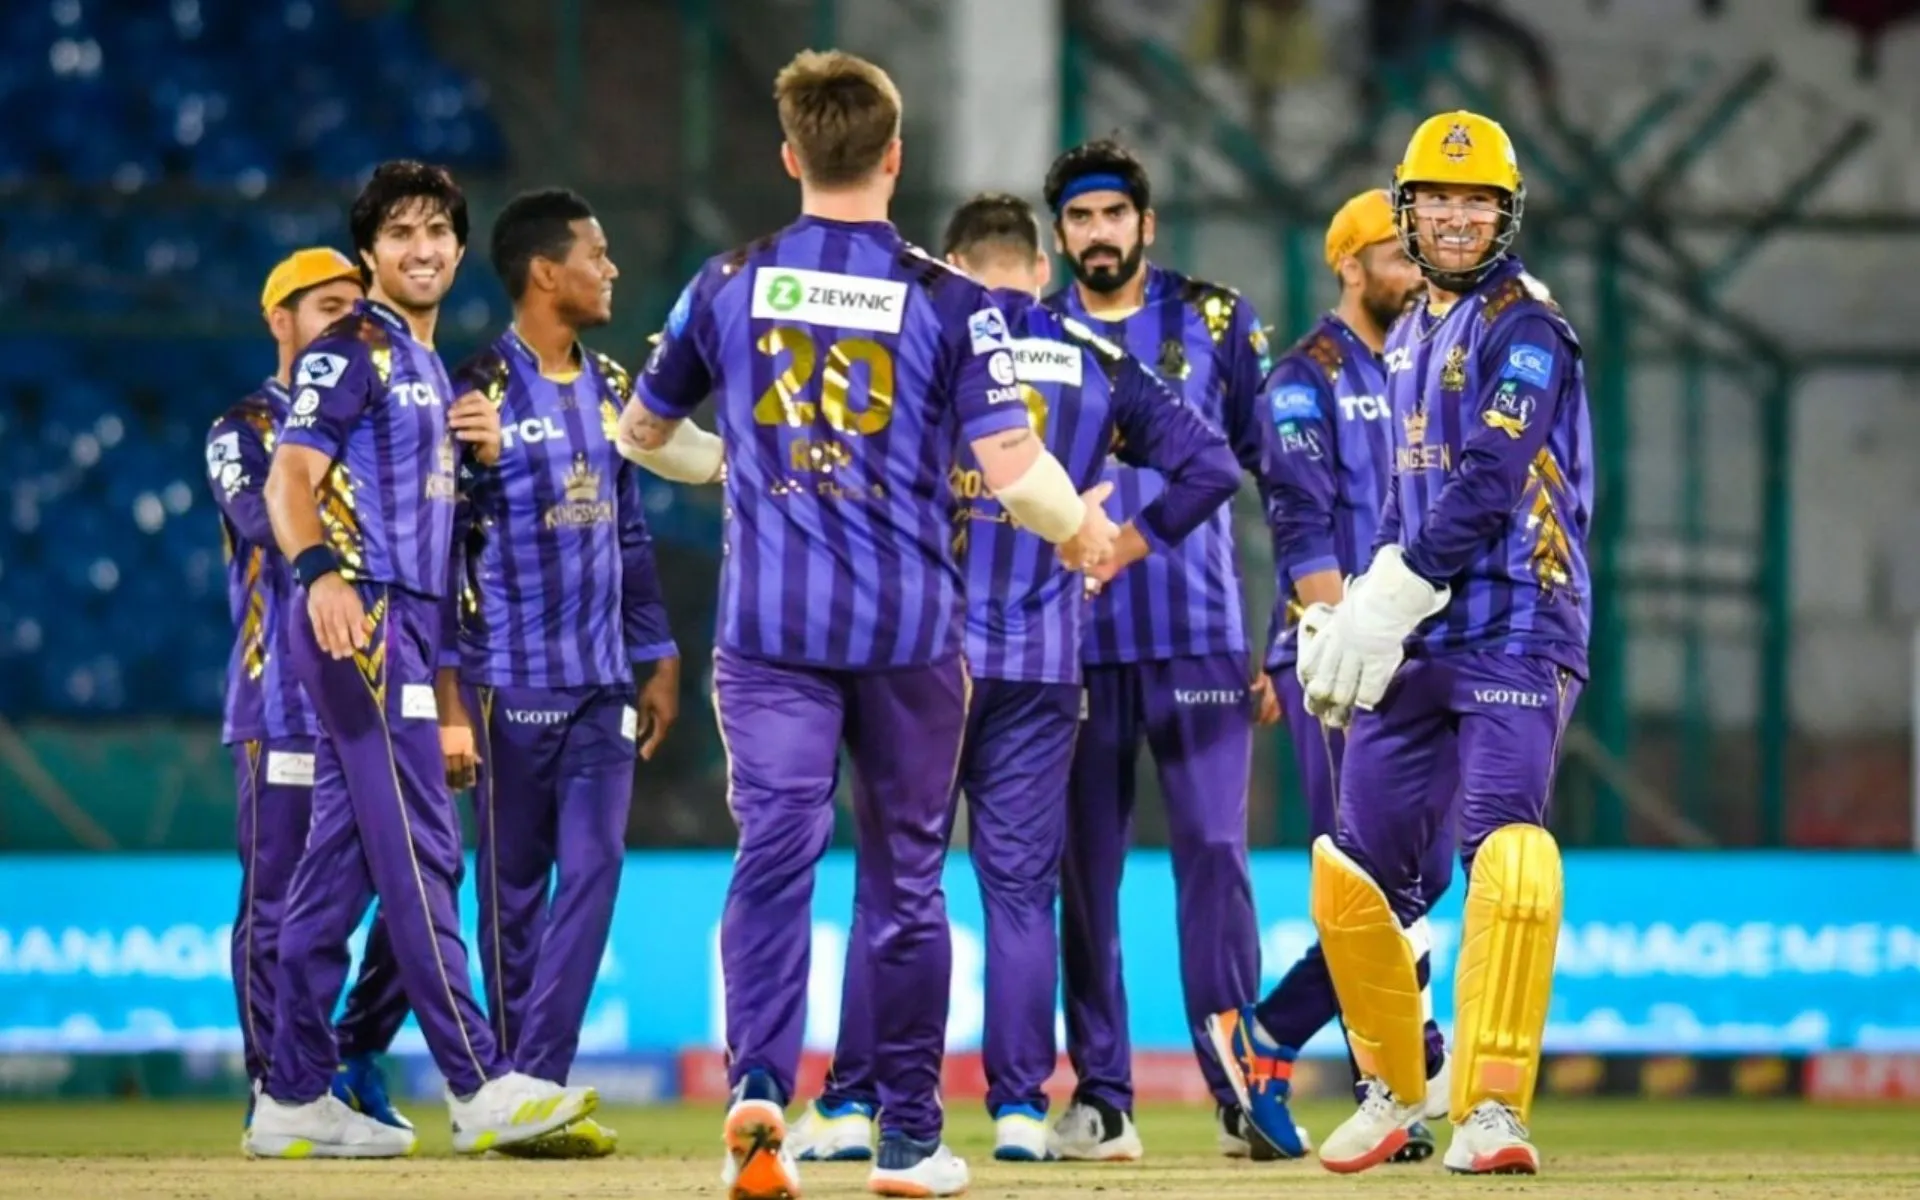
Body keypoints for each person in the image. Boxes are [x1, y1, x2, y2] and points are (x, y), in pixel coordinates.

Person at [615, 50, 1118, 1200]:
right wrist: (1083, 531)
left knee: (773, 858)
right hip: (908, 641)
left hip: (769, 636)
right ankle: (905, 1141)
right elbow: (1016, 473)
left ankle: (757, 1088)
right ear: (894, 156)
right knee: (905, 885)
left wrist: (734, 463)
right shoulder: (953, 302)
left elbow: (639, 435)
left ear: (790, 155)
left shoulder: (726, 283)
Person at [787, 193, 1240, 1165]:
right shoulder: (1093, 357)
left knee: (896, 885)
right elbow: (1210, 466)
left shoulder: (919, 341)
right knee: (1023, 895)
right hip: (1043, 669)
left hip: (924, 664)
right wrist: (1122, 544)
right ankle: (1023, 1112)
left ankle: (853, 1105)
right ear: (1039, 269)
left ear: (951, 268)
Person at [249, 161, 598, 1158]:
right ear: (369, 253)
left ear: (458, 246)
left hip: (403, 625)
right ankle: (478, 1083)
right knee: (421, 849)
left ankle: (291, 1093)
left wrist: (478, 459)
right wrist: (320, 573)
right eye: (400, 233)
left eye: (438, 230)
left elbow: (434, 525)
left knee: (341, 868)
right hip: (363, 616)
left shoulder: (432, 371)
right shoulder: (351, 347)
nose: (423, 248)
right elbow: (288, 477)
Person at [1295, 110, 1592, 1176]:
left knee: (1506, 858)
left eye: (1478, 201)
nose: (1457, 218)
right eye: (1438, 199)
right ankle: (1393, 1094)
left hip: (1516, 622)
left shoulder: (1528, 328)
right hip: (1420, 632)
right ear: (1406, 210)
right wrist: (1362, 602)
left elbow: (1490, 479)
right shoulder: (1413, 330)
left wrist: (1394, 594)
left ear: (1506, 215)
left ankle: (1493, 1112)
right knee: (1360, 874)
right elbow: (1402, 492)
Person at [1204, 190, 1454, 1162]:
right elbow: (1302, 525)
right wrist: (1348, 645)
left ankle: (1275, 1037)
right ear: (1349, 265)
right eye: (1397, 253)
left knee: (1417, 874)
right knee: (1372, 873)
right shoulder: (1303, 378)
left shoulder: (1432, 363)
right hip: (1340, 661)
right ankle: (1379, 1080)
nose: (1415, 271)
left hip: (1426, 654)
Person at [1038, 138, 1273, 1161]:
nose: (1099, 234)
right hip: (1071, 649)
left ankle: (1242, 1091)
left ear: (1146, 224)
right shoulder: (1031, 335)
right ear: (1060, 236)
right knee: (1084, 875)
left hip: (1202, 643)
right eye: (1080, 219)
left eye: (1113, 216)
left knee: (1216, 856)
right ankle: (1103, 1100)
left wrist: (1293, 624)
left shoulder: (1217, 320)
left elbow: (1277, 475)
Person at [436, 188, 681, 1159]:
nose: (610, 269)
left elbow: (629, 531)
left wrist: (658, 651)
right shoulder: (476, 391)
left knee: (598, 867)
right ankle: (511, 1090)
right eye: (596, 254)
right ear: (547, 272)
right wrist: (451, 700)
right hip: (508, 686)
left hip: (603, 685)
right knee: (512, 895)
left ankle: (536, 1079)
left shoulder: (615, 387)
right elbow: (442, 554)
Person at [208, 248, 412, 1136]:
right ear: (279, 320)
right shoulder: (242, 427)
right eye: (327, 305)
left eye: (354, 306)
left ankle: (352, 1055)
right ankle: (279, 1091)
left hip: (375, 687)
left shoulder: (384, 411)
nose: (346, 320)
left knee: (417, 885)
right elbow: (265, 516)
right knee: (276, 903)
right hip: (281, 702)